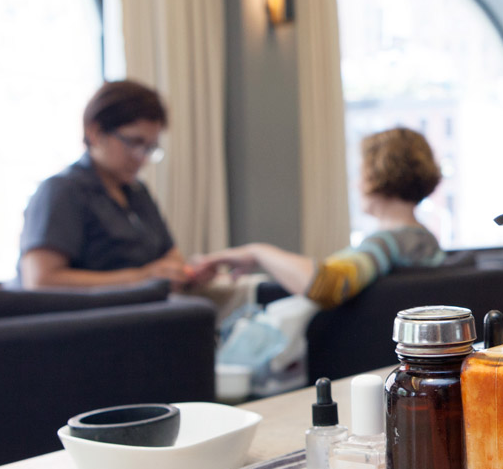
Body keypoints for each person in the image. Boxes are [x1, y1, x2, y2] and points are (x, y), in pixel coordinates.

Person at [190, 127, 445, 394]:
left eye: (360, 173)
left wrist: (257, 252)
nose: (356, 183)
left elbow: (326, 285)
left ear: (374, 175)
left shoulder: (387, 244)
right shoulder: (425, 242)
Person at [19, 80, 193, 290]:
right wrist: (140, 278)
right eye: (134, 142)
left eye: (150, 147)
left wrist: (183, 274)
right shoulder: (63, 191)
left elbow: (172, 258)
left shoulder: (137, 192)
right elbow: (41, 281)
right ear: (95, 133)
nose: (142, 158)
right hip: (89, 319)